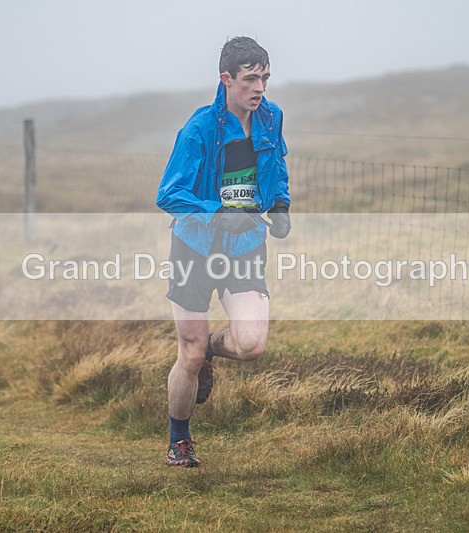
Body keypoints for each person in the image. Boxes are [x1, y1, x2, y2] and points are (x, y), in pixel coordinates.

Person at [155, 36, 291, 467]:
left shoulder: (271, 118)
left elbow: (277, 165)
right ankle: (180, 439)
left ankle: (214, 349)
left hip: (246, 246)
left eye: (265, 78)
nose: (260, 88)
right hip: (193, 248)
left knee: (251, 345)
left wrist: (282, 202)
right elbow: (169, 194)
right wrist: (217, 213)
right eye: (251, 79)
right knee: (189, 354)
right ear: (226, 79)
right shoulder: (199, 129)